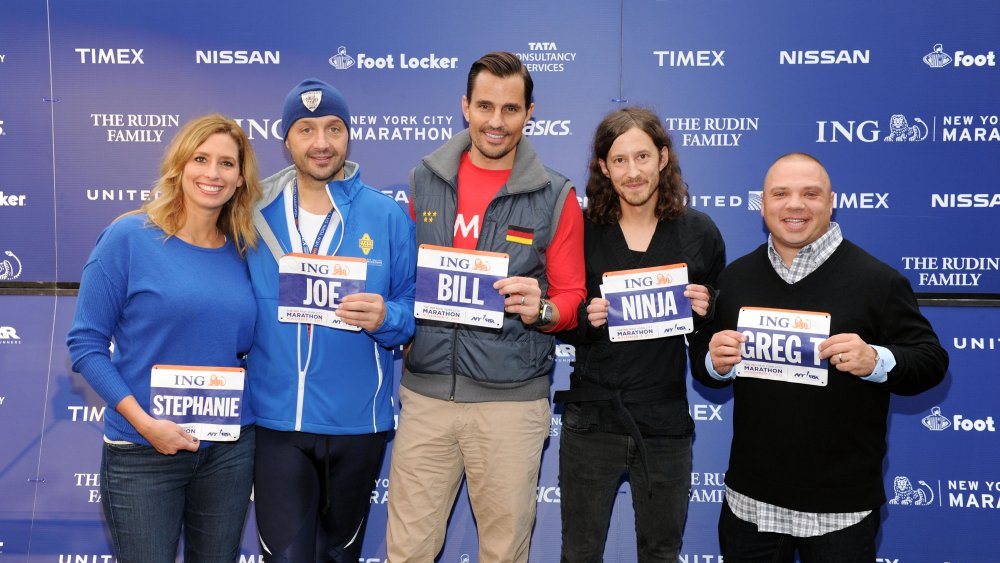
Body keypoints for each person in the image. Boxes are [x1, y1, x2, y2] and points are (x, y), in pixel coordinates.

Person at [688, 152, 949, 562]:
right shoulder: (735, 278)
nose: (795, 205)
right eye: (781, 194)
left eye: (810, 194)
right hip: (750, 504)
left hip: (840, 511)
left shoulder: (878, 281)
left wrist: (877, 361)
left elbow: (932, 361)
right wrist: (713, 363)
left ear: (831, 202)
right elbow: (705, 360)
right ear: (763, 204)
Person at [385, 51, 586, 563]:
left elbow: (571, 299)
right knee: (408, 552)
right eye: (485, 106)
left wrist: (541, 310)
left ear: (530, 112)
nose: (497, 122)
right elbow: (404, 280)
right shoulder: (423, 180)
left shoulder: (555, 194)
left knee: (502, 553)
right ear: (465, 107)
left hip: (510, 406)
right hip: (426, 397)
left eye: (511, 109)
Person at [67, 114, 262, 562]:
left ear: (239, 180)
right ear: (179, 166)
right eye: (201, 159)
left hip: (228, 450)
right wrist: (144, 423)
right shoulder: (128, 238)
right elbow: (85, 344)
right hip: (143, 448)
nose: (212, 173)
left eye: (227, 164)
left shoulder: (245, 248)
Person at [246, 78, 415, 562]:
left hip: (357, 425)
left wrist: (387, 316)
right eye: (306, 129)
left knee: (341, 556)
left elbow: (412, 311)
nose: (321, 143)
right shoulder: (253, 215)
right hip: (278, 424)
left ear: (349, 135)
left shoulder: (385, 217)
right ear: (286, 140)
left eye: (333, 128)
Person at [554, 107, 725, 562]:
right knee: (580, 554)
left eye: (643, 157)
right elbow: (557, 319)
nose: (633, 172)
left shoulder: (699, 233)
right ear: (604, 168)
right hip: (591, 422)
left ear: (663, 158)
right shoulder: (581, 230)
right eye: (620, 160)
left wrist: (707, 313)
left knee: (661, 554)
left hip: (665, 424)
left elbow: (711, 353)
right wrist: (584, 321)